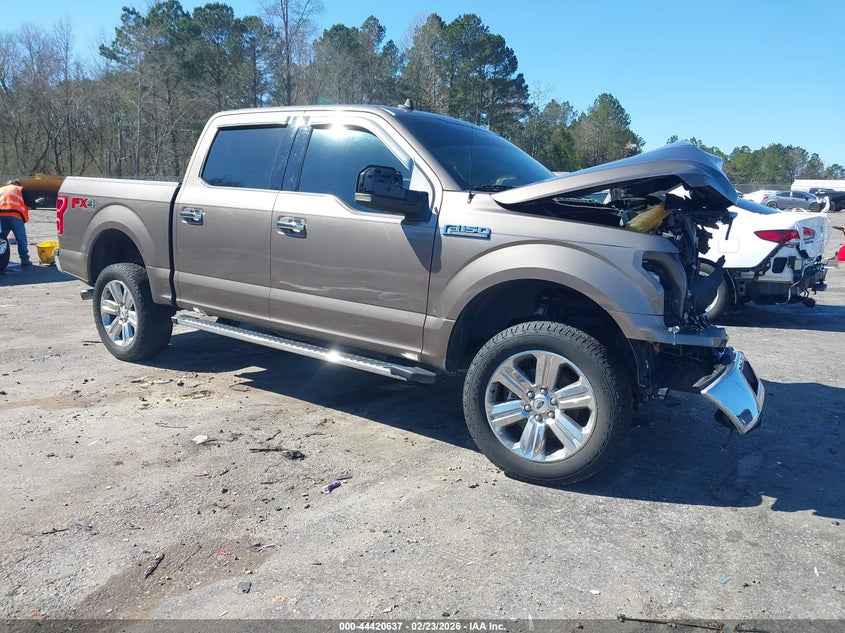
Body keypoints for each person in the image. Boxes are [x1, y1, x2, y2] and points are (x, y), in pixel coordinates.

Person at [0, 179, 34, 267]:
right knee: (21, 238)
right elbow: (31, 203)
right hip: (15, 216)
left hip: (1, 216)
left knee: (1, 239)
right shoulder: (20, 189)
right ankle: (24, 259)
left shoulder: (1, 189)